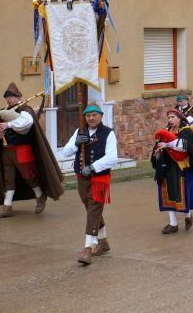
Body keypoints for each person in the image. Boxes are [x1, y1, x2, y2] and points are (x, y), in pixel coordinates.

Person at [0, 83, 65, 219]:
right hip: (6, 151)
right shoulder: (3, 111)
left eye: (11, 97)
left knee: (28, 176)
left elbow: (26, 124)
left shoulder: (25, 110)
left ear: (18, 97)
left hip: (22, 149)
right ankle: (7, 207)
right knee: (8, 179)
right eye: (7, 97)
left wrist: (8, 124)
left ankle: (40, 196)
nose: (8, 100)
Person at [60, 103, 118, 265]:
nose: (91, 118)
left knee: (93, 210)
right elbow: (66, 152)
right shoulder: (80, 131)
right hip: (82, 178)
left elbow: (112, 157)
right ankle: (103, 242)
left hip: (99, 179)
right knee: (92, 209)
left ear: (100, 116)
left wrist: (93, 167)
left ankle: (87, 248)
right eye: (88, 115)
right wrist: (76, 143)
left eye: (94, 115)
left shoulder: (108, 133)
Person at [152, 109, 193, 234]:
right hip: (167, 168)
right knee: (169, 194)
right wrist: (157, 154)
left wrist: (167, 145)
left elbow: (184, 146)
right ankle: (173, 224)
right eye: (169, 117)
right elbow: (157, 148)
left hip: (182, 168)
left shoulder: (187, 131)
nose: (170, 119)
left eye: (173, 117)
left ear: (180, 118)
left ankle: (188, 216)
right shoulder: (166, 132)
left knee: (184, 194)